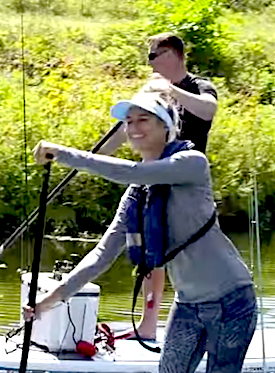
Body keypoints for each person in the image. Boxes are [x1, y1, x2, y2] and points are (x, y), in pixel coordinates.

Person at [26, 93, 255, 373]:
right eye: (128, 122)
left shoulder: (191, 164)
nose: (133, 129)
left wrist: (65, 152)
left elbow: (129, 169)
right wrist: (49, 301)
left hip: (232, 303)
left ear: (167, 126)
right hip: (188, 306)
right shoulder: (138, 194)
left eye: (142, 120)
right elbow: (99, 257)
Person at [104, 33, 219, 341]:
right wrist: (90, 159)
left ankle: (204, 320)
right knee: (149, 250)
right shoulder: (149, 93)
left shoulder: (199, 87)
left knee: (189, 256)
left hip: (185, 186)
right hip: (151, 181)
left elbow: (208, 110)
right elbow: (120, 133)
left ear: (172, 54)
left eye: (153, 57)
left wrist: (169, 90)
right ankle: (148, 324)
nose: (150, 64)